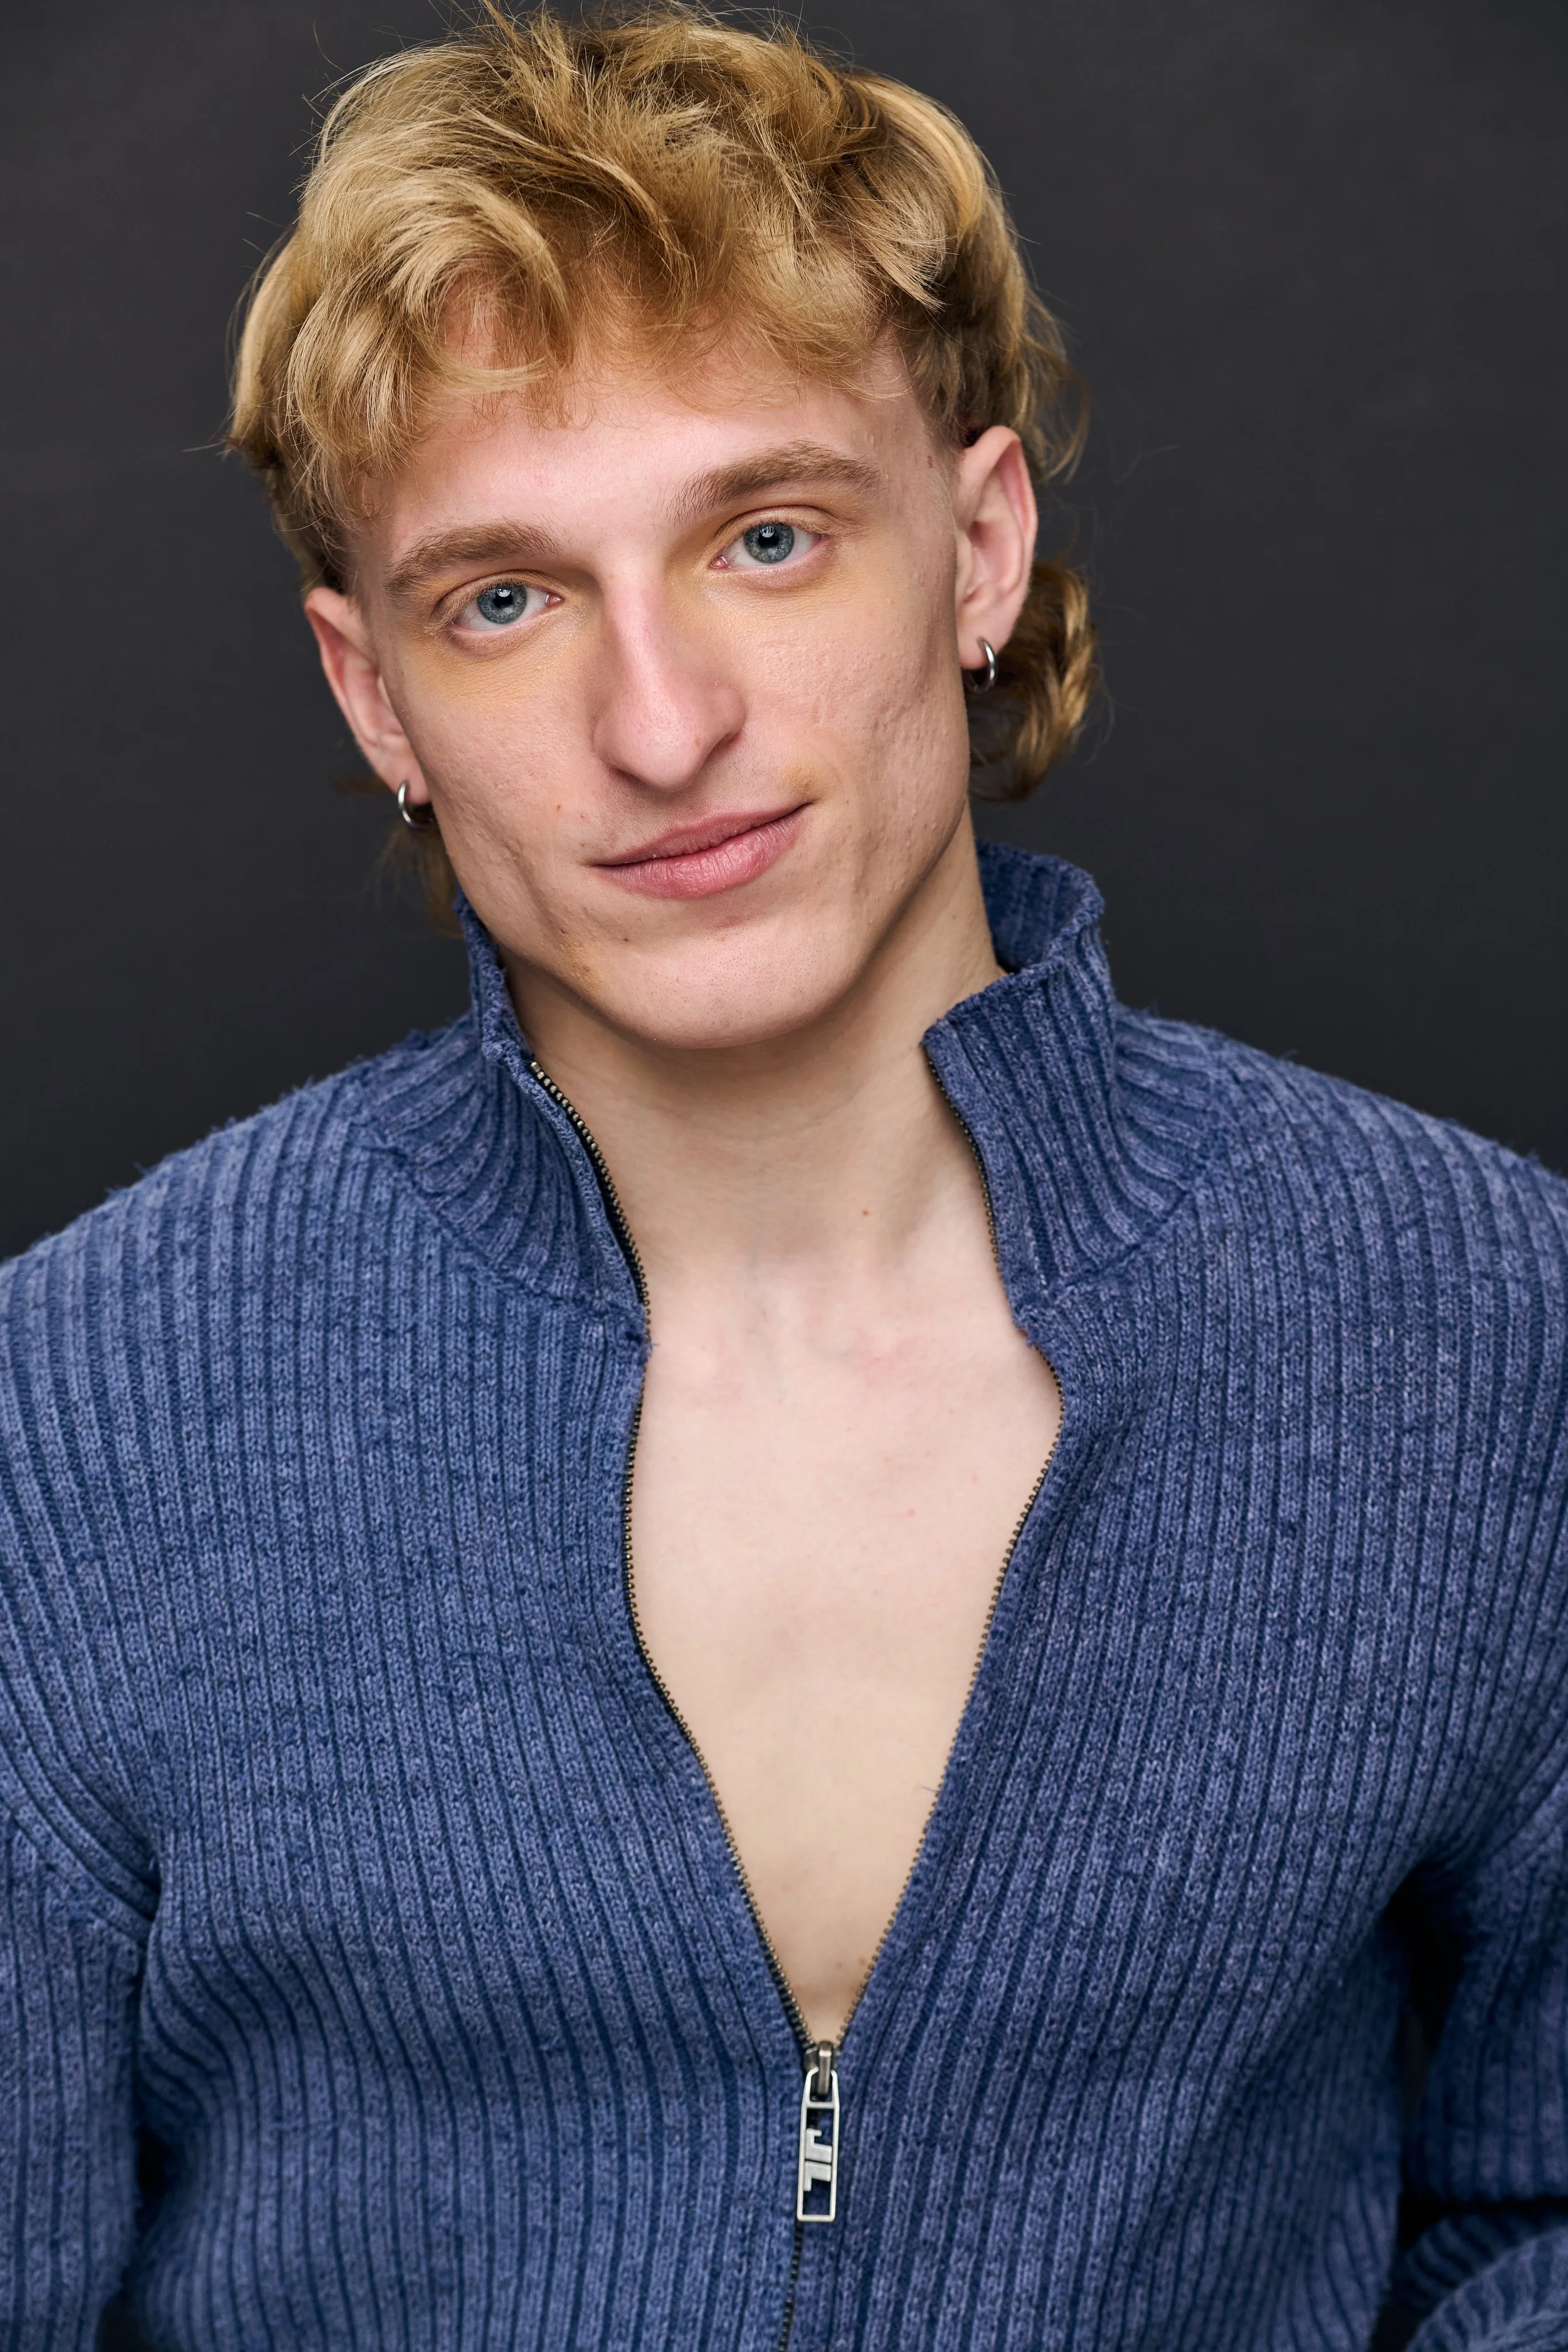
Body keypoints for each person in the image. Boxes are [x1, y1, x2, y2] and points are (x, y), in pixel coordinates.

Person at [2, 5, 1565, 2344]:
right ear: (374, 693)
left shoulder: (1480, 1321)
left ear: (977, 548)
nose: (662, 725)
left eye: (765, 537)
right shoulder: (69, 1411)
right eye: (504, 597)